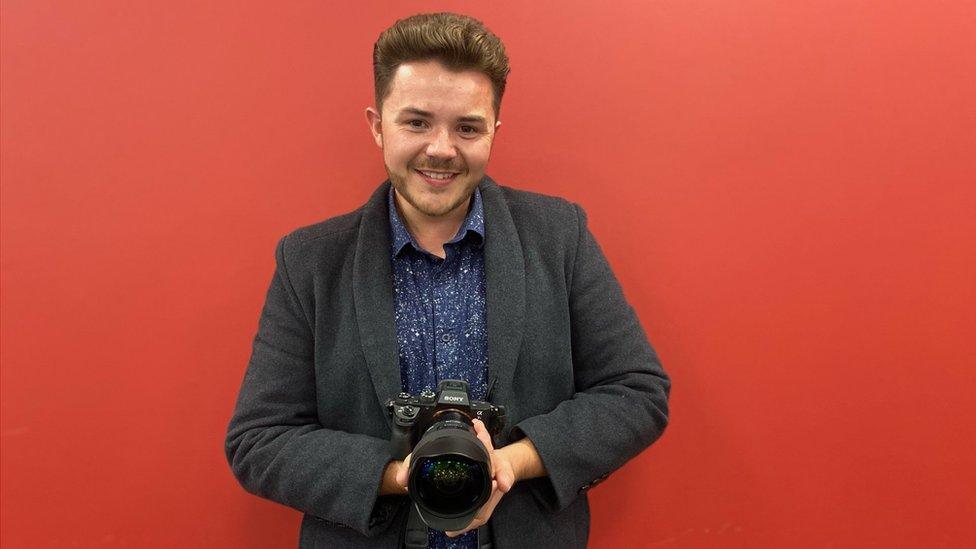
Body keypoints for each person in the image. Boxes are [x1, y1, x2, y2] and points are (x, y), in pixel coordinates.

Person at [225, 12, 670, 549]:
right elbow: (259, 441)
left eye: (467, 127)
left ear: (493, 133)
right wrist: (401, 475)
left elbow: (637, 393)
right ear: (377, 125)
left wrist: (508, 464)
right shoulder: (311, 261)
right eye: (416, 122)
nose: (441, 148)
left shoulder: (560, 237)